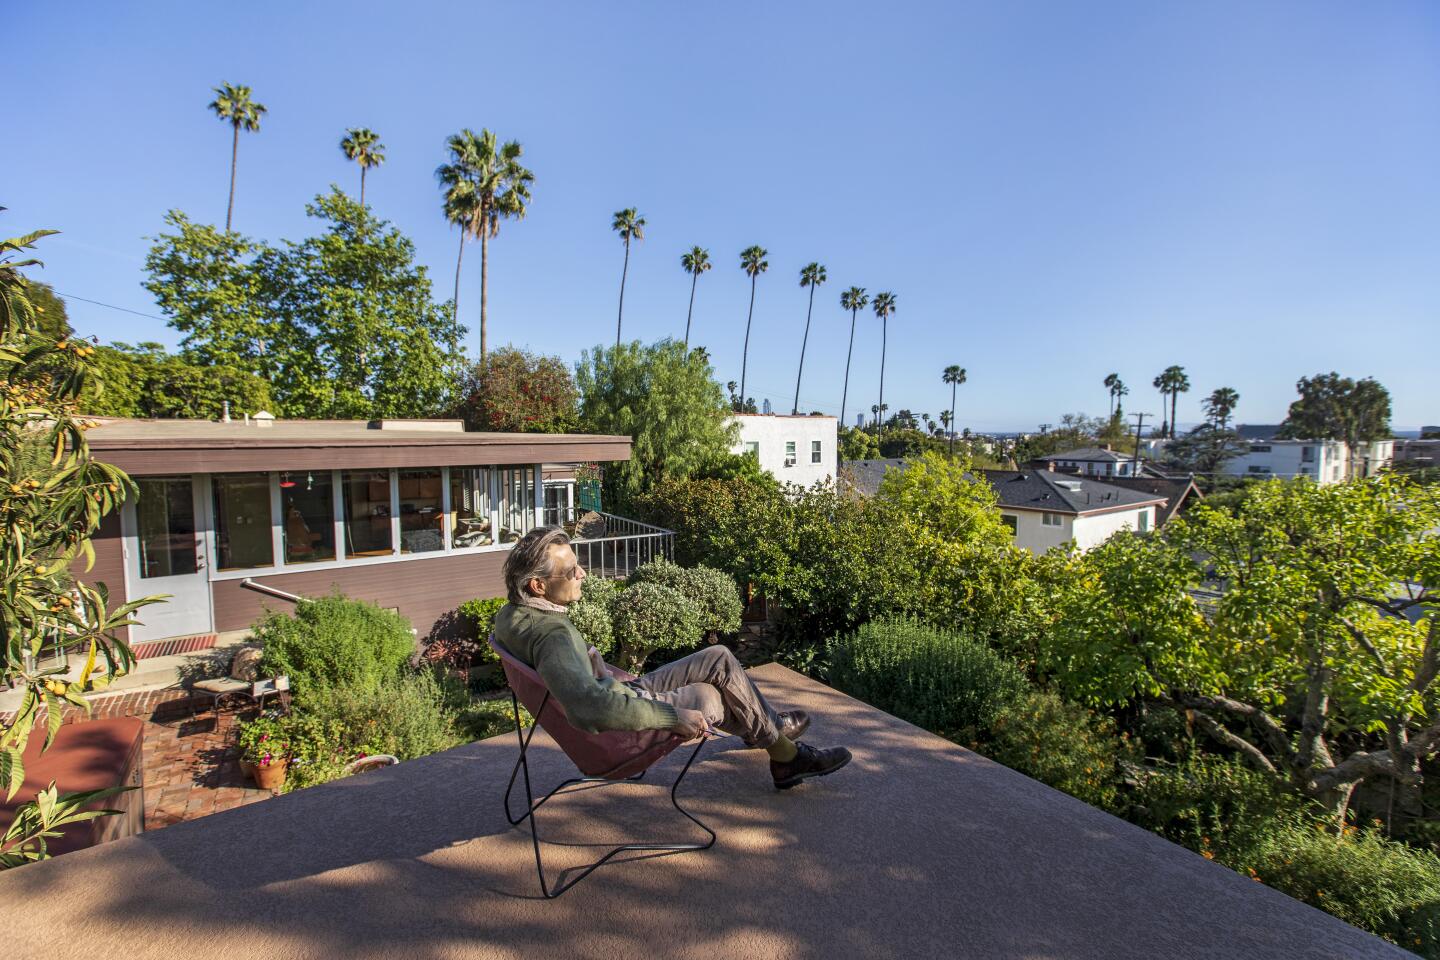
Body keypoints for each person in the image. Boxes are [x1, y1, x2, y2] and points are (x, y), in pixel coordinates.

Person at [492, 526, 852, 789]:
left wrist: (590, 664)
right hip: (620, 726)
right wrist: (672, 716)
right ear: (538, 586)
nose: (582, 573)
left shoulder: (511, 616)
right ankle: (785, 753)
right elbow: (589, 709)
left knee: (719, 657)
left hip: (622, 692)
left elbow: (573, 683)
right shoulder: (552, 635)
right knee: (713, 695)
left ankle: (768, 730)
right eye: (572, 571)